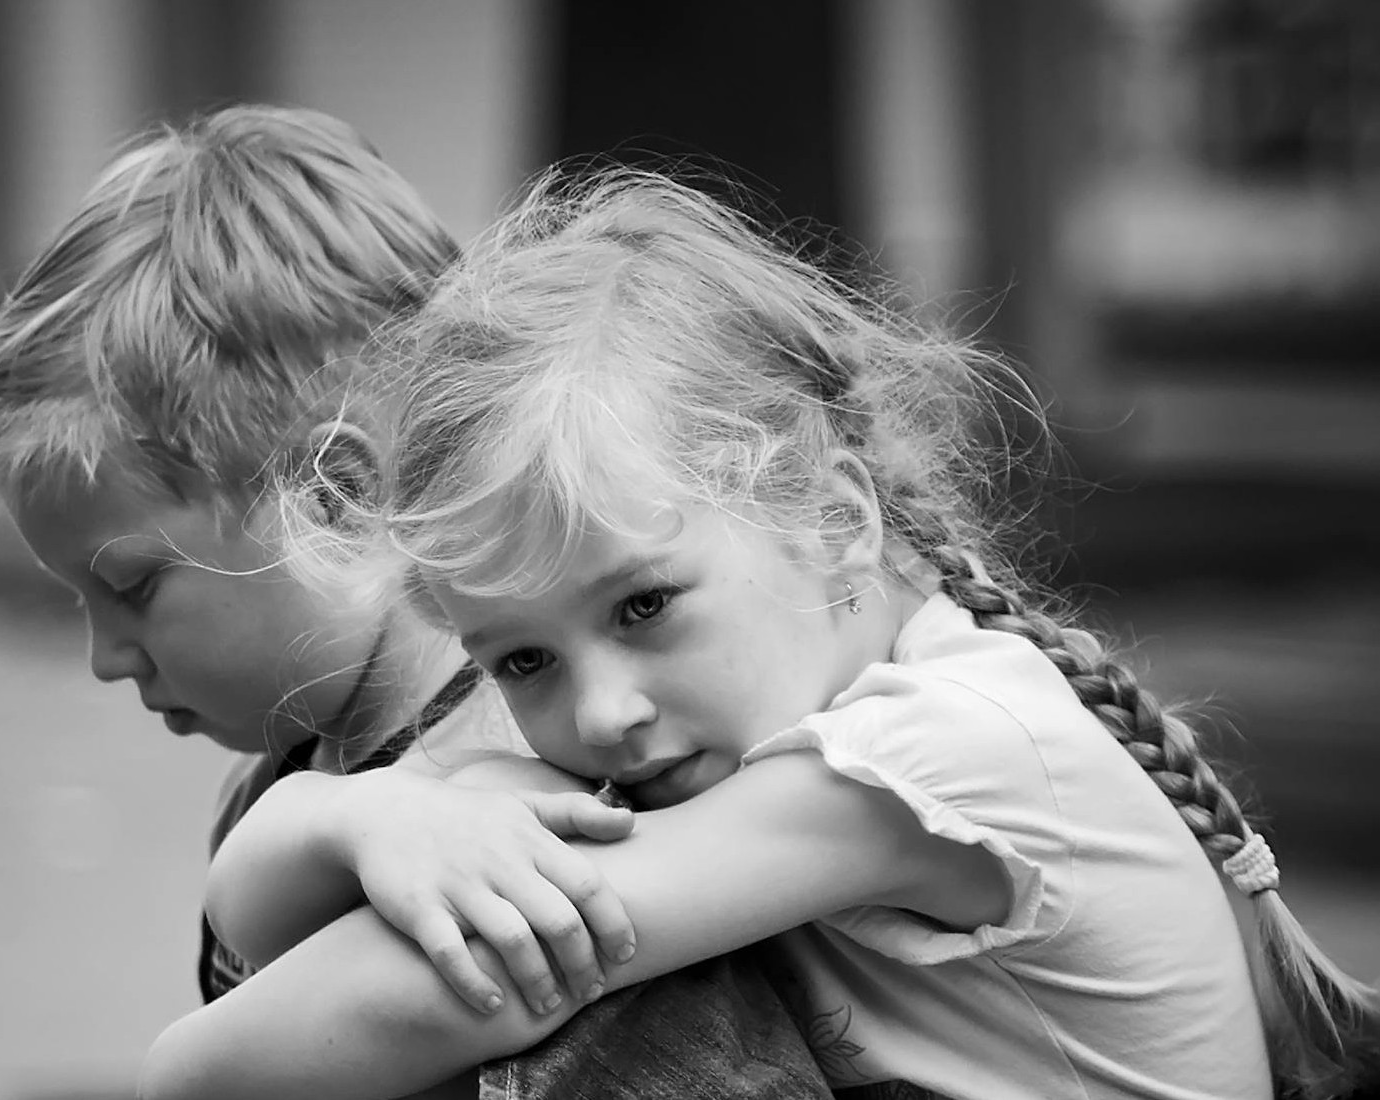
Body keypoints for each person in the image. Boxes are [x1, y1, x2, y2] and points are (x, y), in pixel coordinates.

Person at [143, 167, 1380, 1100]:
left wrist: (379, 833)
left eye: (645, 605)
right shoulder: (790, 727)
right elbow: (255, 930)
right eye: (522, 660)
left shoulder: (928, 753)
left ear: (833, 517)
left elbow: (227, 1059)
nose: (603, 712)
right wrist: (363, 817)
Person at [0, 113, 831, 1100]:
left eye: (134, 587)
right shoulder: (293, 785)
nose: (107, 656)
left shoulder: (550, 806)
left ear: (334, 498)